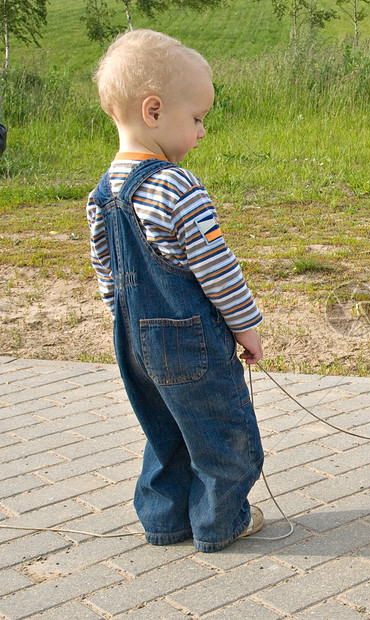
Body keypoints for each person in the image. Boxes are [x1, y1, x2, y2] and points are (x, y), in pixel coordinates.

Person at [87, 29, 265, 552]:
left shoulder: (101, 193)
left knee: (164, 431)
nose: (202, 132)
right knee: (222, 433)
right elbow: (218, 269)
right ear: (154, 110)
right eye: (197, 118)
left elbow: (106, 276)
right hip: (189, 341)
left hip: (133, 341)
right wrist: (246, 327)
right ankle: (220, 522)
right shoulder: (177, 186)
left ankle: (165, 523)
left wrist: (128, 326)